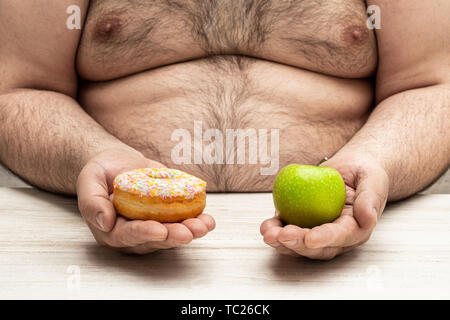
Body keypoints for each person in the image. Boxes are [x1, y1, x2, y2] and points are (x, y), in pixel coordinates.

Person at [0, 0, 448, 259]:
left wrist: (373, 163)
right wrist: (90, 157)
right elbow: (18, 89)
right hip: (80, 247)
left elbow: (431, 85)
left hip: (361, 253)